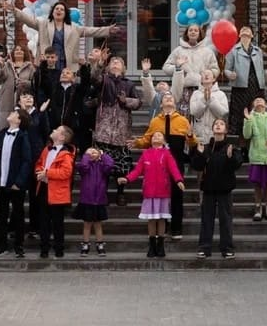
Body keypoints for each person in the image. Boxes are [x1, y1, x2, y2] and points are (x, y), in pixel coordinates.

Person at [131, 92, 196, 240]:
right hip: (158, 164)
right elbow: (147, 140)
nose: (168, 98)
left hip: (176, 160)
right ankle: (162, 228)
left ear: (175, 103)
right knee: (162, 195)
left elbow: (192, 143)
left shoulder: (183, 120)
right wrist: (137, 142)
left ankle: (177, 228)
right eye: (165, 98)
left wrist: (191, 136)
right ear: (161, 104)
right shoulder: (155, 121)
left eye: (171, 97)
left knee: (177, 195)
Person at [117, 131, 185, 259]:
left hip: (163, 191)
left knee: (161, 219)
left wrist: (179, 180)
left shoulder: (167, 154)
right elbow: (137, 170)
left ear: (164, 141)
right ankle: (152, 244)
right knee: (151, 219)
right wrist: (127, 178)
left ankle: (161, 245)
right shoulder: (146, 154)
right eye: (154, 136)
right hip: (149, 191)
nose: (156, 137)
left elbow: (174, 169)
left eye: (159, 136)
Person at [3, 0, 118, 71]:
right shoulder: (43, 24)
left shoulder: (74, 27)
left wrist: (107, 30)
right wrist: (14, 10)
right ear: (52, 12)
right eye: (56, 9)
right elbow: (28, 20)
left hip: (65, 64)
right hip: (47, 63)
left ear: (65, 13)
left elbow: (92, 31)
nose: (58, 10)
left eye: (61, 9)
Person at [190, 118, 243, 259]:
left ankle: (227, 248)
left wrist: (231, 157)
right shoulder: (206, 147)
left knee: (226, 220)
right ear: (212, 129)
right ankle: (204, 248)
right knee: (206, 220)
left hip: (225, 189)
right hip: (208, 189)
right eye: (216, 124)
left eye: (221, 124)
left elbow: (237, 164)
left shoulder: (231, 147)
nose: (218, 126)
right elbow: (197, 166)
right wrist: (200, 154)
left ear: (225, 130)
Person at [93, 55, 141, 206]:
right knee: (102, 165)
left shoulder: (129, 84)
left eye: (118, 62)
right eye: (112, 61)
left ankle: (121, 193)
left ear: (123, 67)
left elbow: (138, 102)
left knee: (122, 165)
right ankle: (103, 193)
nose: (115, 63)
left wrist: (125, 101)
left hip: (121, 131)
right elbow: (94, 77)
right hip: (104, 130)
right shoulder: (104, 80)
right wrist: (99, 64)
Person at [0, 107, 32, 258]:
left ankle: (19, 245)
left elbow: (27, 161)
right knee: (2, 214)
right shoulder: (2, 134)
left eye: (14, 113)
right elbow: (2, 156)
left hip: (15, 182)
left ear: (19, 120)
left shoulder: (22, 136)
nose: (11, 113)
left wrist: (19, 182)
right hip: (3, 180)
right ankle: (1, 245)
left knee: (18, 213)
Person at [34, 124, 76, 258]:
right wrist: (39, 172)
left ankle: (59, 248)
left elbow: (66, 172)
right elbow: (39, 163)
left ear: (62, 137)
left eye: (56, 130)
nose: (53, 130)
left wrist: (46, 173)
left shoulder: (66, 155)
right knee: (43, 221)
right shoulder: (47, 149)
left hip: (57, 192)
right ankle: (44, 248)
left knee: (58, 222)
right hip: (44, 189)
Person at [162, 24, 219, 118]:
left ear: (200, 33)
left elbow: (215, 69)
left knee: (199, 116)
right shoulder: (178, 50)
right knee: (183, 116)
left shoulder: (207, 51)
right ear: (187, 33)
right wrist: (178, 68)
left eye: (196, 30)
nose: (193, 32)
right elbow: (166, 67)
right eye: (190, 30)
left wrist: (207, 75)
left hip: (201, 89)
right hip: (183, 90)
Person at [222, 25, 267, 137]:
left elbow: (261, 69)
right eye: (242, 30)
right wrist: (230, 75)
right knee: (239, 115)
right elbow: (226, 69)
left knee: (257, 114)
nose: (245, 31)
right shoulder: (233, 51)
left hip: (256, 87)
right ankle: (238, 143)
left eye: (248, 30)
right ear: (239, 35)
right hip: (240, 88)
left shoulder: (258, 51)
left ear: (252, 35)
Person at [18, 90, 50, 238]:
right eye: (25, 96)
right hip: (20, 158)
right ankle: (15, 227)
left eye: (31, 97)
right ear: (19, 101)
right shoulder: (16, 114)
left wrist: (41, 113)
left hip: (36, 158)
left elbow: (45, 133)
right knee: (17, 195)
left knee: (35, 195)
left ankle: (34, 227)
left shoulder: (40, 114)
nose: (29, 98)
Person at [74, 146, 115, 257]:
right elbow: (83, 165)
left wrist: (103, 155)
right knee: (87, 223)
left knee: (98, 224)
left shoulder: (103, 167)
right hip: (87, 200)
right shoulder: (84, 167)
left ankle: (100, 244)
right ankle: (85, 244)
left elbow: (110, 164)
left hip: (99, 200)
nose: (91, 154)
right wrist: (86, 156)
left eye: (94, 152)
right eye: (89, 152)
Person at [0, 44, 36, 131]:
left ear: (25, 53)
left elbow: (34, 83)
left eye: (21, 50)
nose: (18, 51)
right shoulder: (7, 65)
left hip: (22, 101)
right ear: (13, 53)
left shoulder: (30, 67)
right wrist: (1, 66)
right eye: (16, 50)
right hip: (7, 99)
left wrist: (25, 83)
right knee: (5, 123)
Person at [189, 69, 229, 145]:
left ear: (214, 79)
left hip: (215, 134)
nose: (206, 75)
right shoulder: (195, 94)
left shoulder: (221, 94)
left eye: (208, 74)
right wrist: (203, 100)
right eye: (204, 74)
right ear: (201, 79)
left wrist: (211, 100)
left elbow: (222, 113)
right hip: (199, 133)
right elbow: (194, 112)